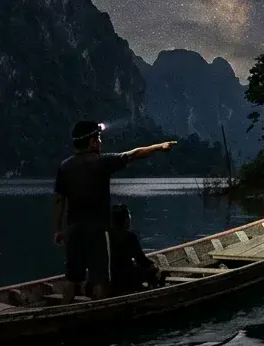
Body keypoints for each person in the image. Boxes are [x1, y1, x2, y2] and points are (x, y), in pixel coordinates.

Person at [52, 120, 174, 300]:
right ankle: (98, 314)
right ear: (92, 142)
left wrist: (58, 230)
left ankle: (65, 312)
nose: (101, 142)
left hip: (73, 230)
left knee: (72, 278)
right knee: (100, 278)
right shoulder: (102, 162)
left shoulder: (64, 167)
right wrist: (158, 147)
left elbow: (58, 200)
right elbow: (134, 154)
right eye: (99, 138)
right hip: (97, 231)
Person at [105, 203, 165, 296]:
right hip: (126, 277)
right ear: (125, 220)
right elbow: (141, 260)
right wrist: (154, 265)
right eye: (129, 217)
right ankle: (150, 292)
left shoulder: (106, 236)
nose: (130, 220)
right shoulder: (129, 236)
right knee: (155, 271)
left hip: (109, 277)